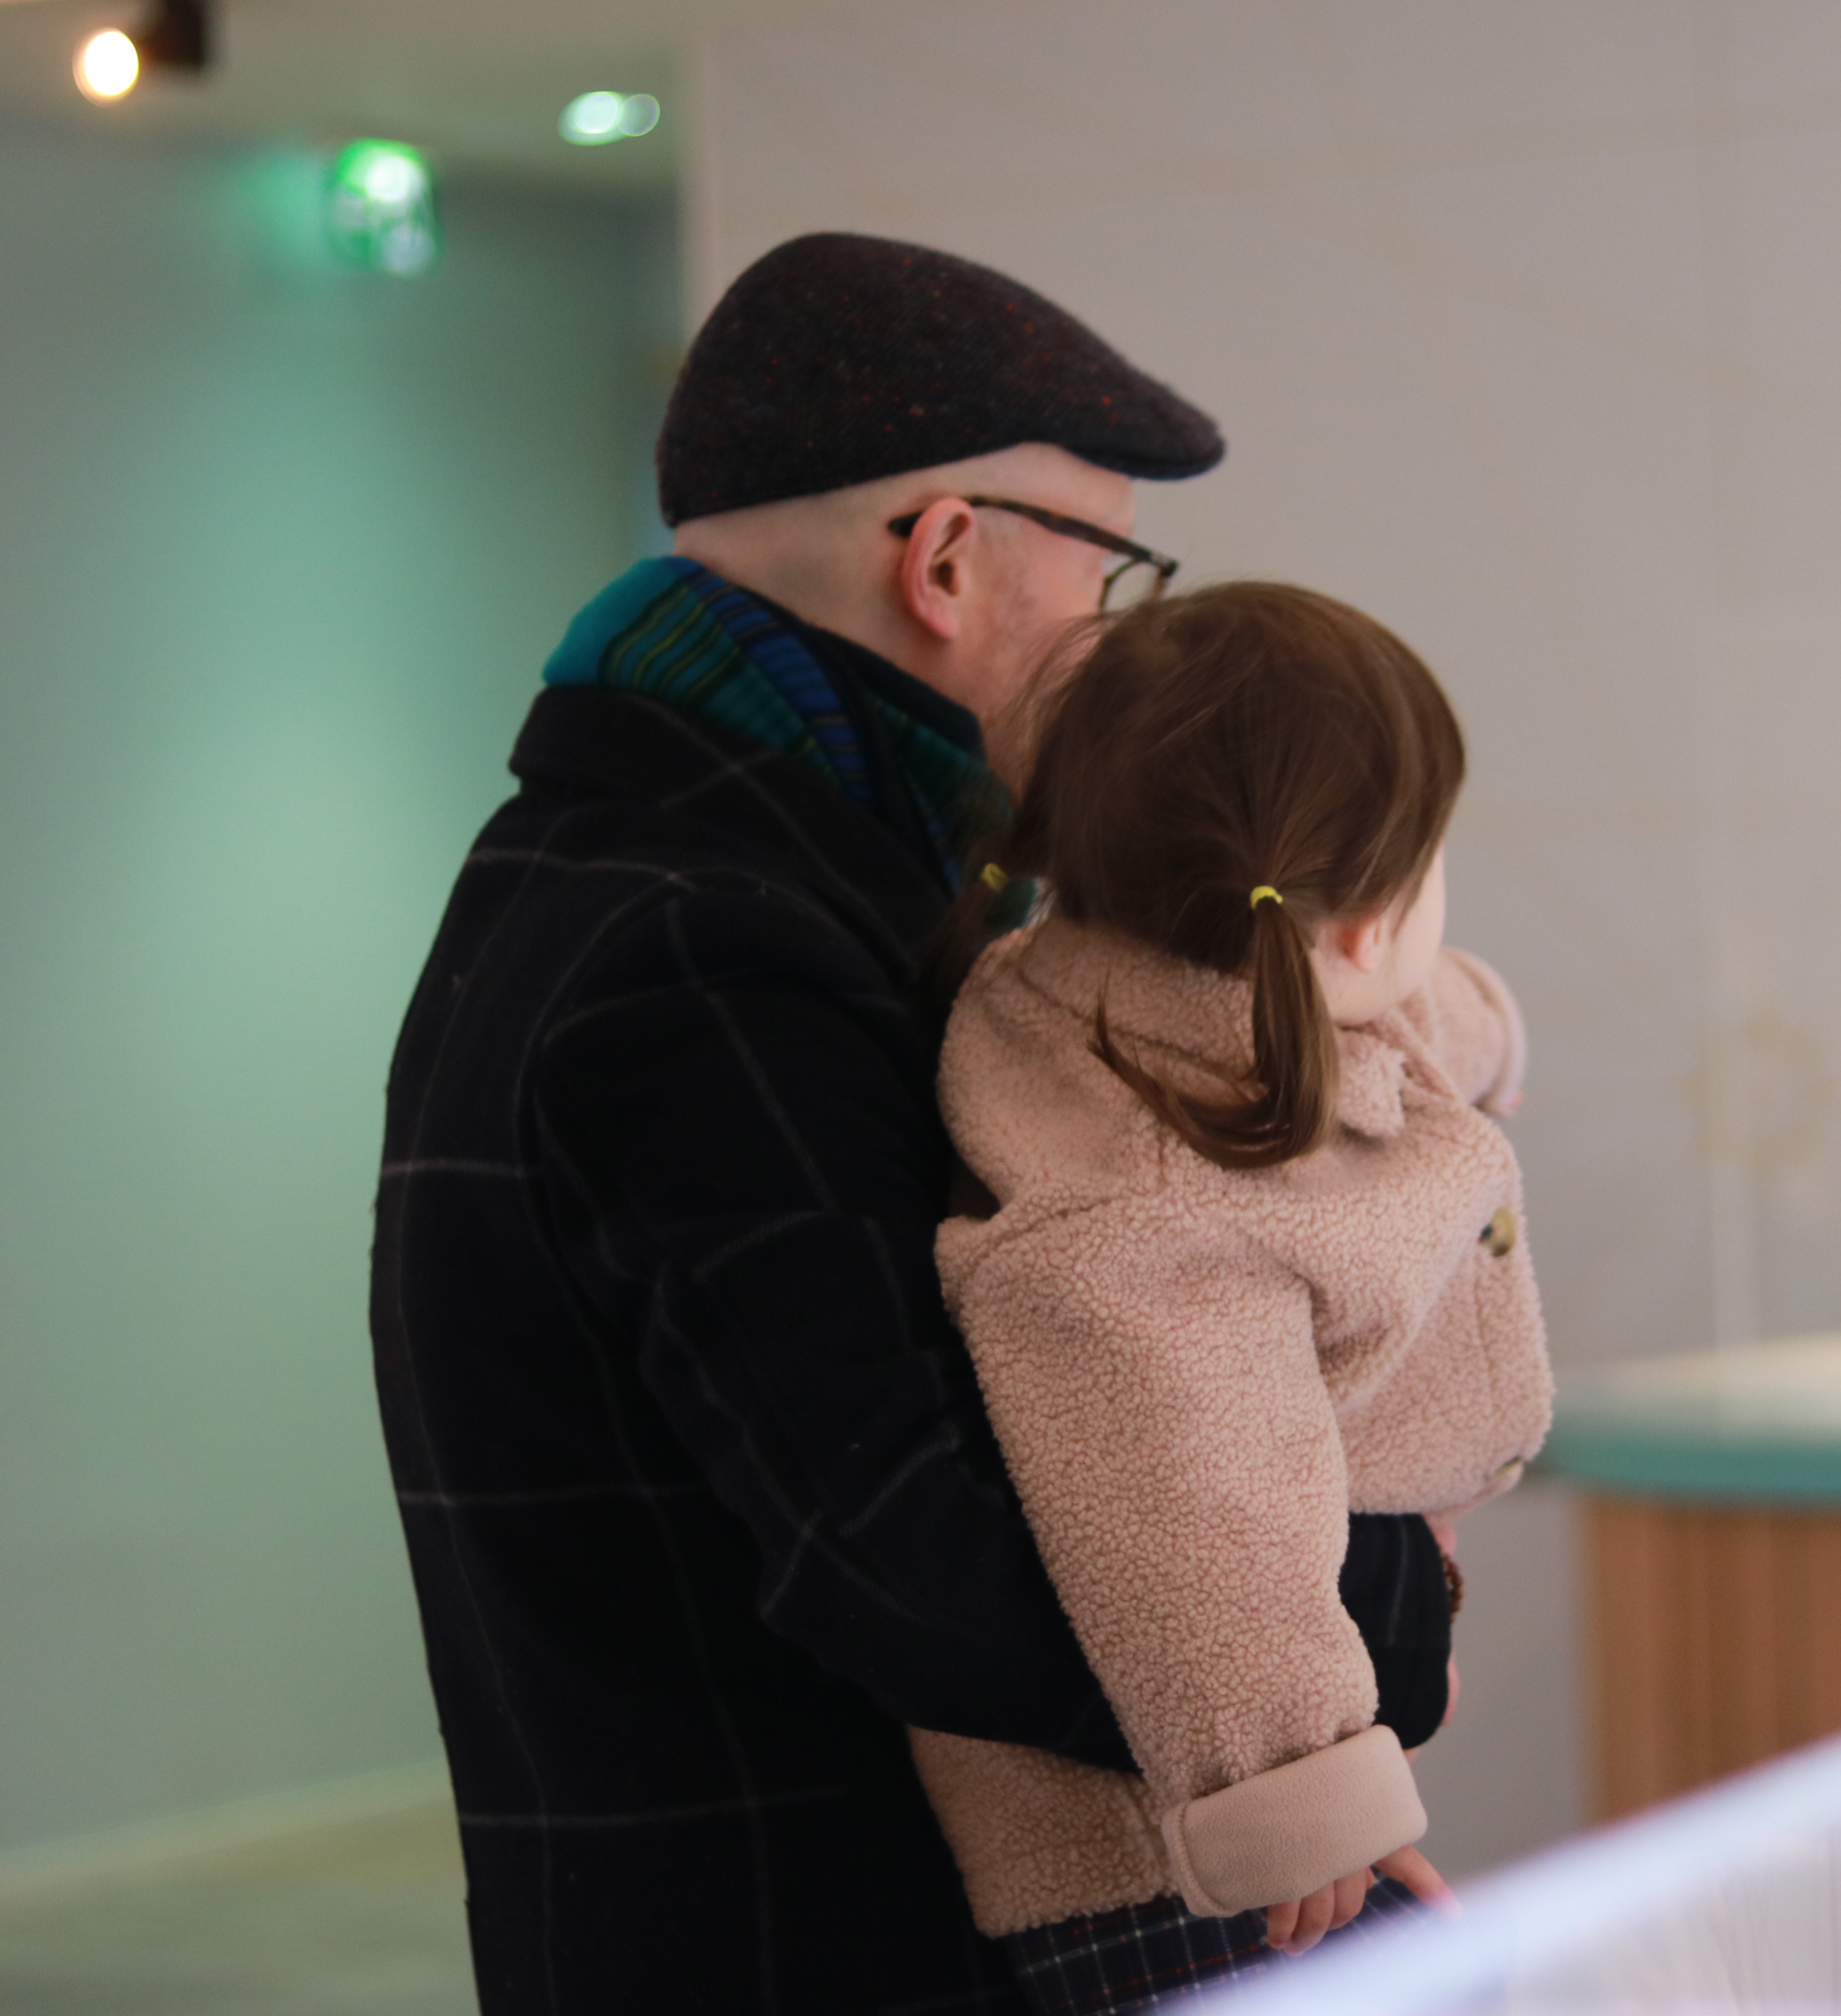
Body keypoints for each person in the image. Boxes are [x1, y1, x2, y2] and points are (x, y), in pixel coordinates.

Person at [370, 235, 1456, 2015]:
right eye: (1110, 572)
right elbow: (915, 1551)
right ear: (948, 558)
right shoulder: (715, 947)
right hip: (823, 1952)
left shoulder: (655, 872)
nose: (1118, 642)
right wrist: (1384, 1605)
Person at [912, 584, 1553, 2012]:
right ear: (1362, 924)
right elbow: (1194, 1516)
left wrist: (1495, 1038)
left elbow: (1413, 1013)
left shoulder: (1188, 974)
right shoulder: (1144, 1212)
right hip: (1159, 1847)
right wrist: (1299, 1791)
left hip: (1243, 1765)